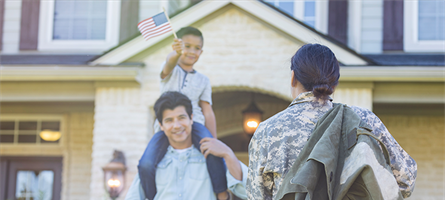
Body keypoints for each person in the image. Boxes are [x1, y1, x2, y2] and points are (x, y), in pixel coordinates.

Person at [246, 44, 417, 199]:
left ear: (293, 77)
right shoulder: (363, 120)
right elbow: (406, 181)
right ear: (334, 84)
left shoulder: (267, 131)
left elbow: (257, 196)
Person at [138, 27, 228, 200]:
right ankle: (151, 196)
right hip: (166, 127)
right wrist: (175, 54)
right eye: (187, 46)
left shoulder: (203, 80)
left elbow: (207, 111)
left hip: (195, 124)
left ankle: (221, 193)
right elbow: (169, 62)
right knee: (146, 163)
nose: (192, 52)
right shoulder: (170, 71)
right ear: (178, 47)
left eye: (197, 48)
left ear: (201, 51)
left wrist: (214, 140)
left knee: (214, 155)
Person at [126, 92, 247, 200]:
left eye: (181, 118)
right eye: (169, 120)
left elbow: (248, 192)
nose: (177, 125)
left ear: (191, 118)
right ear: (161, 125)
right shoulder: (152, 162)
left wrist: (228, 153)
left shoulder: (212, 156)